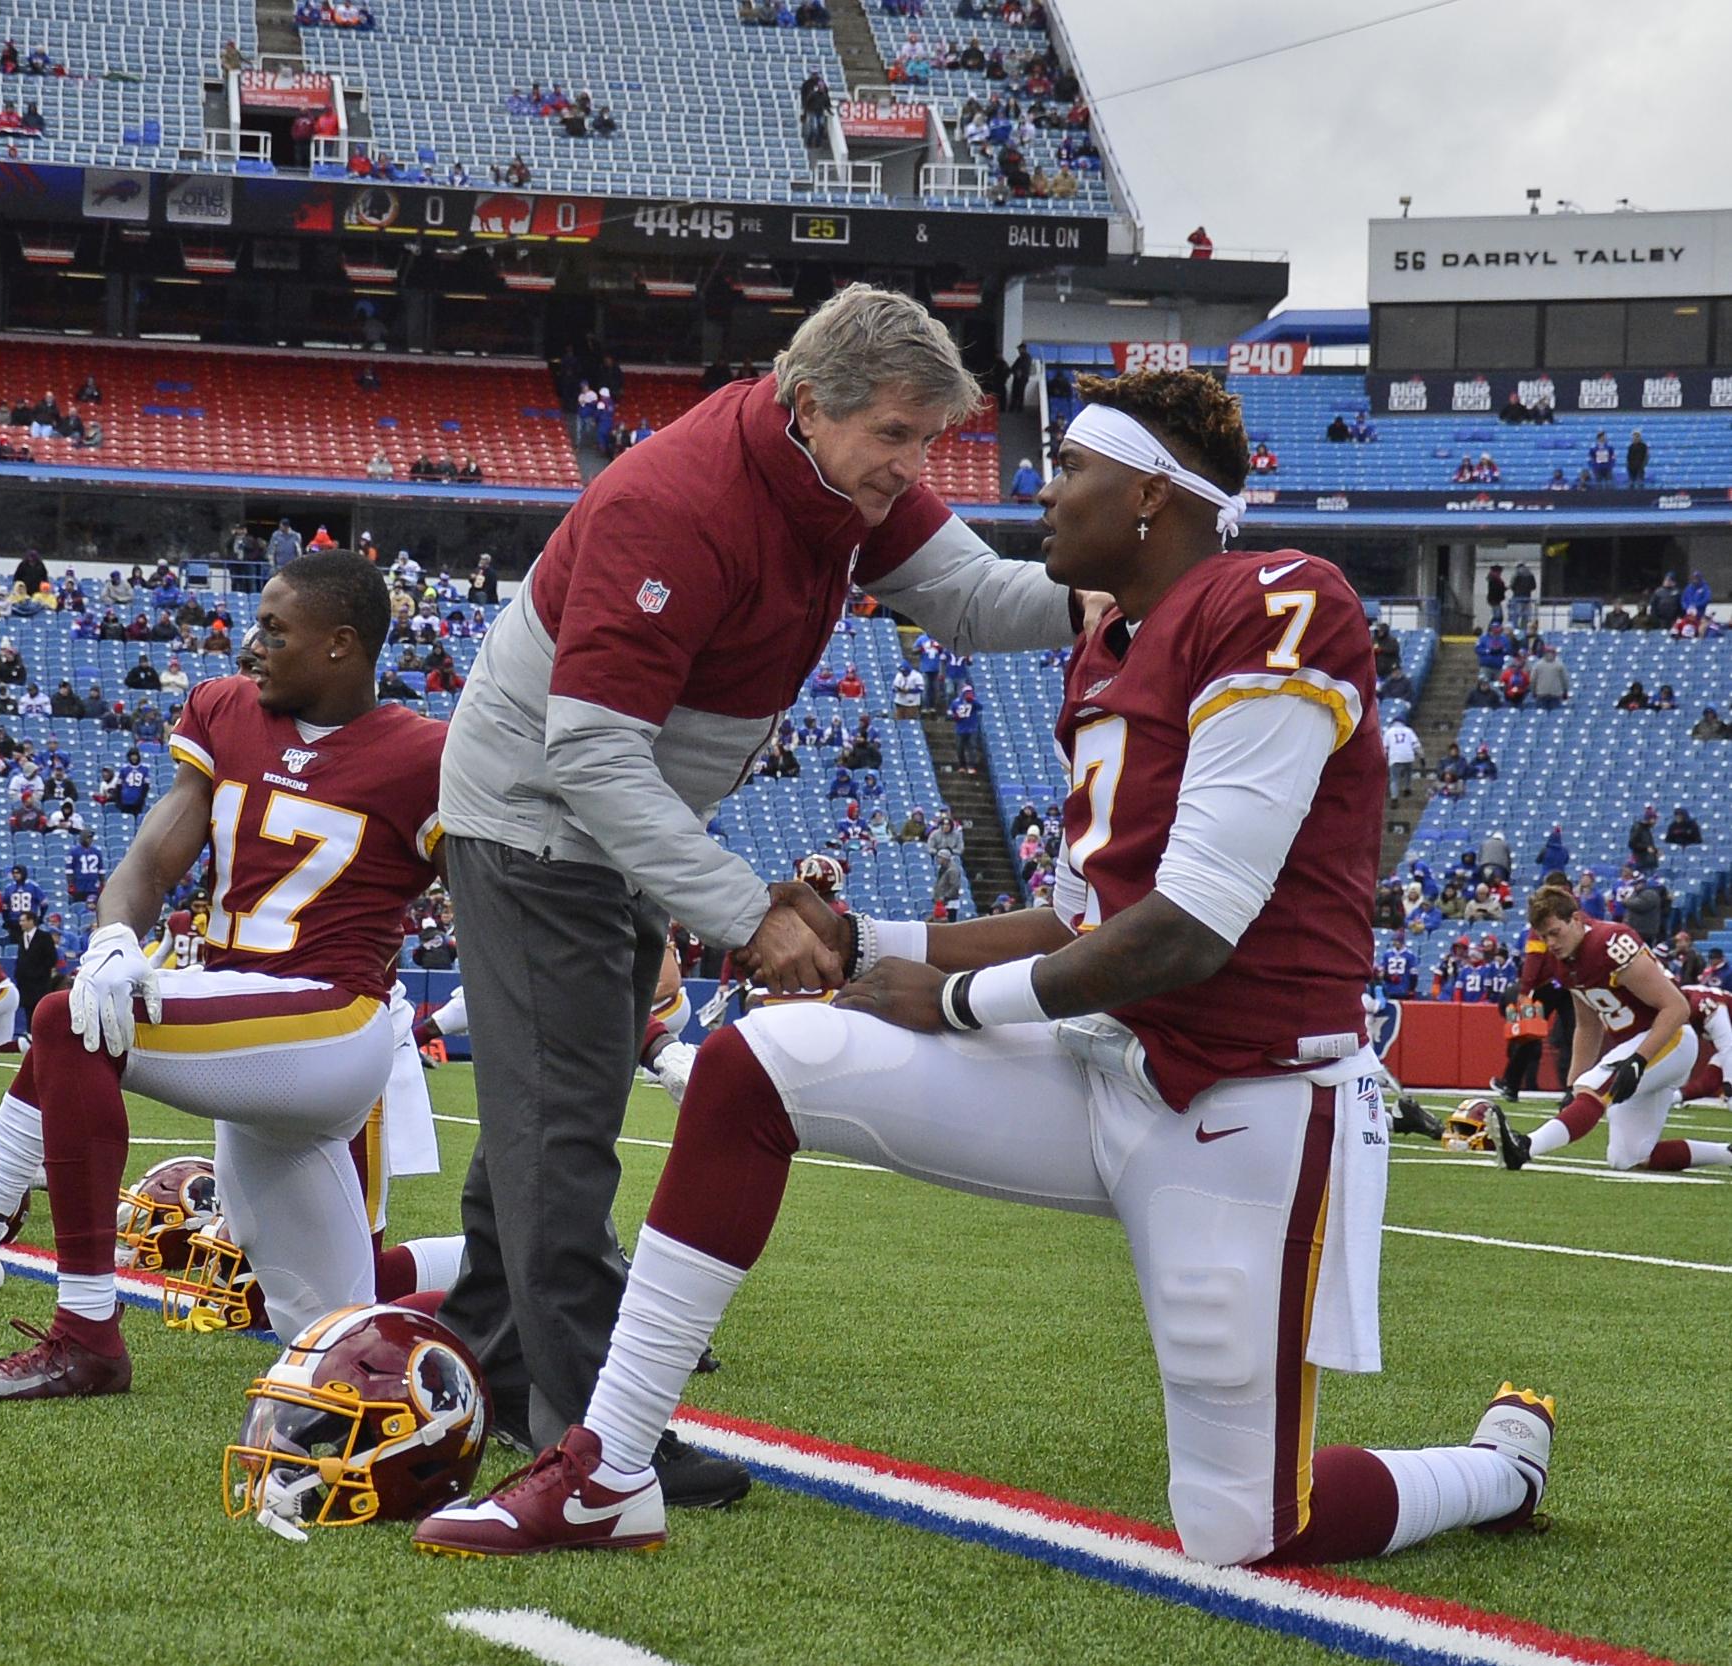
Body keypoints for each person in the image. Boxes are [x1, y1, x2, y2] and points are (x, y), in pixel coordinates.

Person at [418, 366, 1555, 1572]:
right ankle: (610, 1463)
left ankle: (1499, 1467)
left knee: (1245, 1526)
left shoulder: (1279, 600)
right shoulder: (1114, 640)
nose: (1041, 489)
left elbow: (1188, 929)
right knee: (756, 1065)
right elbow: (1074, 919)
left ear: (1152, 501)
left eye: (1072, 469)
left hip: (1240, 1101)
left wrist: (947, 999)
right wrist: (869, 946)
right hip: (1099, 1067)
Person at [429, 284, 1087, 1501]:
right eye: (895, 436)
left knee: (543, 1111)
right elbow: (587, 753)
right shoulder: (676, 501)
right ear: (809, 405)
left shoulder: (832, 474)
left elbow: (978, 598)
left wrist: (1111, 591)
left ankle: (486, 1360)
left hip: (608, 820)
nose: (912, 465)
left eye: (928, 441)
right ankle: (593, 1436)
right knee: (560, 1129)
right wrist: (748, 910)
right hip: (541, 821)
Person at [0, 553, 451, 1402]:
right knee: (331, 1331)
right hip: (244, 1026)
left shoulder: (427, 752)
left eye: (275, 631)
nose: (250, 647)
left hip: (333, 1021)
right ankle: (543, 1284)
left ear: (340, 646)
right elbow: (154, 854)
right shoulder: (224, 710)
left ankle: (82, 1331)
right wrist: (111, 936)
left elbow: (491, 892)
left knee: (68, 1023)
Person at [1487, 885, 1728, 1173]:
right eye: (1544, 936)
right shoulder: (1565, 960)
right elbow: (1588, 1026)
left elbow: (1677, 1007)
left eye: (1555, 932)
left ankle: (1523, 1146)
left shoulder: (1610, 942)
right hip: (1642, 1046)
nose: (1551, 943)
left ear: (1575, 919)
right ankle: (1727, 1154)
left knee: (1594, 1086)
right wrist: (1570, 1086)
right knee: (1629, 1157)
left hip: (1670, 1038)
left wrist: (1638, 1060)